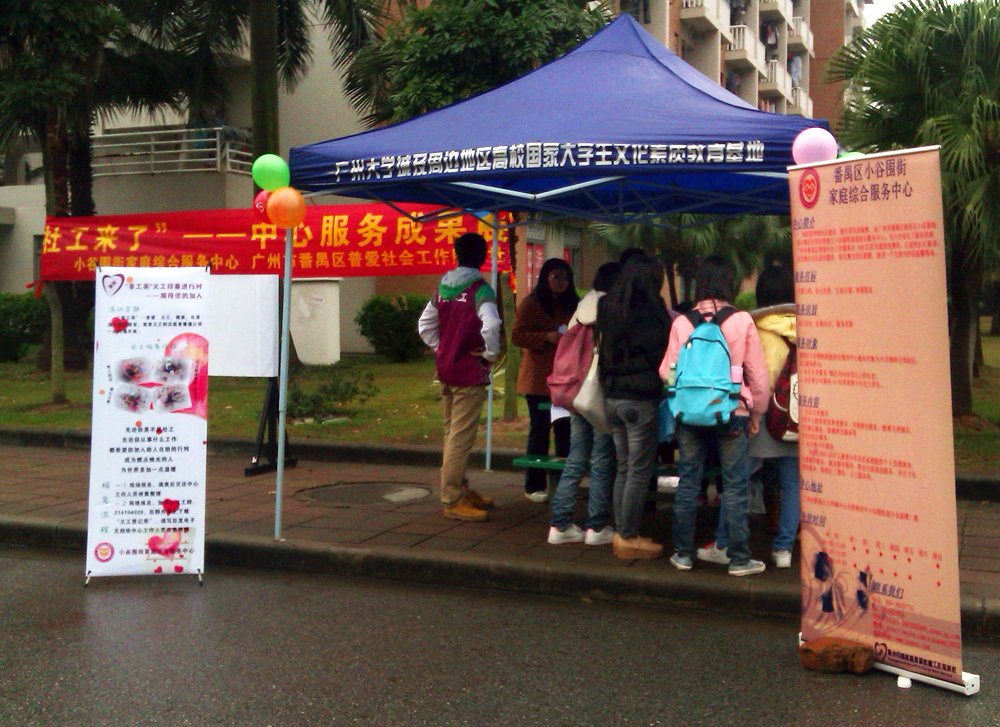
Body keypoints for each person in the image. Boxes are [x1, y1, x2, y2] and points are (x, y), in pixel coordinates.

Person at [661, 255, 770, 576]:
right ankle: (739, 559)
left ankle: (683, 554)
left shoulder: (682, 323)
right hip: (732, 411)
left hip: (689, 413)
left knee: (688, 482)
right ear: (730, 284)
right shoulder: (741, 320)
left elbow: (666, 371)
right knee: (735, 485)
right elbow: (758, 375)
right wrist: (757, 412)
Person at [701, 264, 799, 568]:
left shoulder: (755, 326)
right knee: (792, 484)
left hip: (762, 415)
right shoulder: (808, 328)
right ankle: (784, 550)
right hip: (794, 417)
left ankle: (723, 542)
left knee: (737, 480)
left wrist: (756, 412)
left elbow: (755, 374)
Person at [417, 233, 502, 522]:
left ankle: (461, 489)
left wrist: (441, 348)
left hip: (446, 370)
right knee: (461, 437)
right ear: (483, 256)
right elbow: (491, 324)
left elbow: (425, 325)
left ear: (456, 254)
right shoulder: (481, 290)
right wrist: (490, 354)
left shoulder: (443, 287)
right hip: (468, 372)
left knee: (451, 432)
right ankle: (453, 498)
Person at [597, 251, 671, 560]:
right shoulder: (654, 314)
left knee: (624, 467)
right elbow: (662, 356)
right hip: (640, 400)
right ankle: (628, 536)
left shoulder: (608, 308)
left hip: (612, 396)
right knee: (638, 472)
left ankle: (621, 533)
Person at [547, 262, 621, 546]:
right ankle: (596, 527)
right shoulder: (612, 309)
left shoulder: (581, 307)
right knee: (602, 459)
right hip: (598, 393)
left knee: (576, 457)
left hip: (575, 392)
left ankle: (560, 524)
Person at [512, 258, 579, 502]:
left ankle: (564, 484)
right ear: (545, 278)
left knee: (565, 430)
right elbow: (517, 335)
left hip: (565, 378)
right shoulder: (532, 303)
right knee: (540, 430)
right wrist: (547, 337)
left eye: (565, 277)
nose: (561, 282)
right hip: (539, 379)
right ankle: (534, 485)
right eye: (556, 277)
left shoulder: (574, 303)